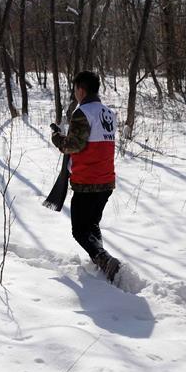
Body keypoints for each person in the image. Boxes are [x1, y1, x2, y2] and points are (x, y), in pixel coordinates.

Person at [51, 71, 120, 281]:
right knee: (92, 225)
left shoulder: (83, 112)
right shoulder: (108, 113)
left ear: (81, 89)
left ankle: (104, 259)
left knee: (79, 230)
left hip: (87, 181)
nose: (75, 94)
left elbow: (73, 145)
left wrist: (57, 138)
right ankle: (101, 262)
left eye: (75, 90)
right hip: (106, 180)